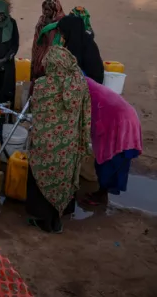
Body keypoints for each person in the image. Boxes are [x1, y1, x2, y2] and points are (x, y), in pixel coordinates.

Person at [27, 46, 92, 233]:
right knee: (63, 178)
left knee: (42, 177)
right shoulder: (79, 84)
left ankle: (43, 220)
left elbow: (36, 110)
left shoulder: (43, 85)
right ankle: (58, 218)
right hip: (68, 144)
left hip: (45, 145)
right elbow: (85, 113)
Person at [82, 77, 142, 206]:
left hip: (120, 122)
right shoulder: (84, 82)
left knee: (111, 161)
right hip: (118, 117)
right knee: (109, 159)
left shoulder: (80, 87)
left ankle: (101, 195)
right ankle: (102, 193)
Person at [57, 15, 104, 84]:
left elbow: (75, 66)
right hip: (83, 76)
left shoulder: (80, 44)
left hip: (91, 81)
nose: (62, 35)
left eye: (62, 32)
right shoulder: (78, 39)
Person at [31, 0, 66, 81]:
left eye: (48, 10)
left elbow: (55, 40)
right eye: (44, 9)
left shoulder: (62, 22)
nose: (45, 12)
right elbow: (37, 38)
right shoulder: (42, 20)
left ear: (55, 10)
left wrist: (48, 26)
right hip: (40, 52)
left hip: (54, 55)